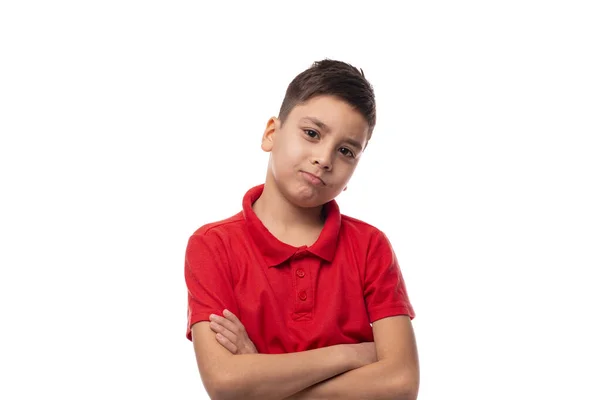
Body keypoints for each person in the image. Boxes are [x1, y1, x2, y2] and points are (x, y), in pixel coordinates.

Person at [184, 59, 419, 400]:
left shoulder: (370, 246)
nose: (325, 158)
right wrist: (354, 354)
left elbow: (400, 383)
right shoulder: (213, 246)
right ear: (271, 134)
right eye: (312, 134)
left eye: (345, 151)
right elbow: (225, 382)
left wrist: (263, 381)